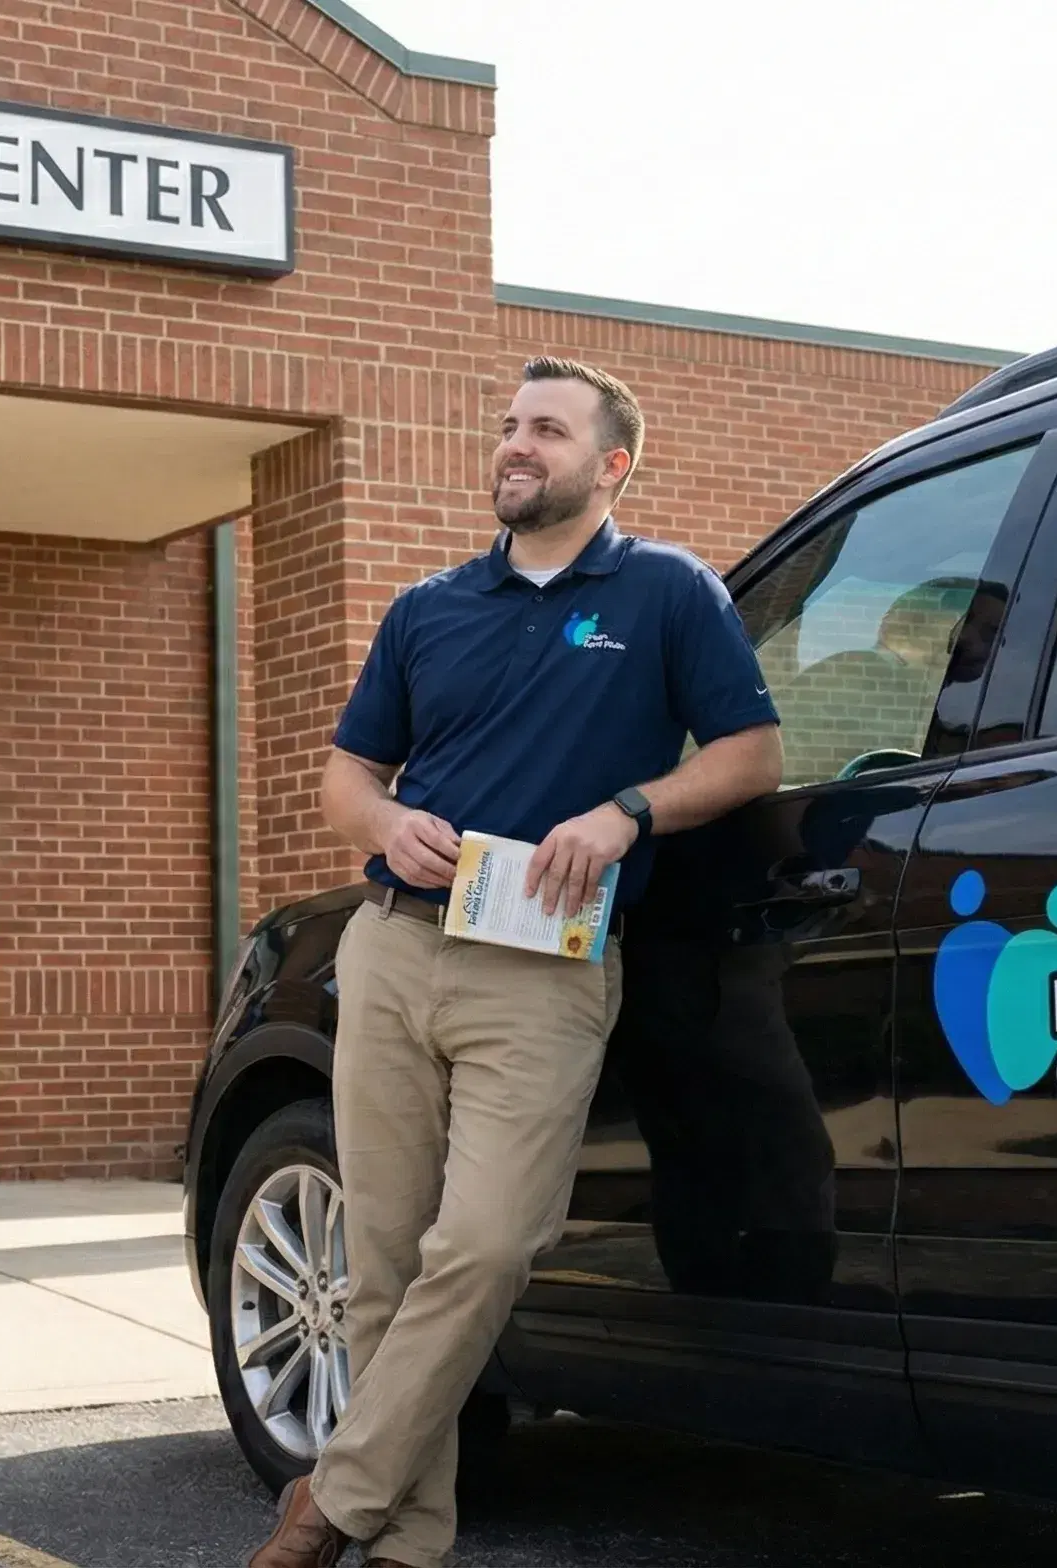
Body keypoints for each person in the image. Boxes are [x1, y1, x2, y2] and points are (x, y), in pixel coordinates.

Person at [249, 358, 787, 1568]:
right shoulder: (429, 604)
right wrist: (382, 825)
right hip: (393, 947)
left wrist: (627, 814)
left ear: (611, 464)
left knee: (486, 1241)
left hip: (541, 966)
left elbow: (749, 751)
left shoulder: (664, 593)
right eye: (506, 427)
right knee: (382, 1258)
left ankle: (329, 1498)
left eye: (545, 429)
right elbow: (346, 774)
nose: (513, 445)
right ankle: (405, 1540)